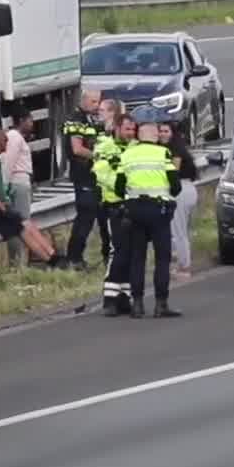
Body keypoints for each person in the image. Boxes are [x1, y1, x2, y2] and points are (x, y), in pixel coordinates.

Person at [117, 121, 182, 318]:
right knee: (162, 258)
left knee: (138, 258)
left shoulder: (127, 155)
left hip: (134, 210)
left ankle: (137, 304)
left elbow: (119, 187)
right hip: (158, 211)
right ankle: (160, 304)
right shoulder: (163, 154)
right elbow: (175, 186)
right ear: (154, 136)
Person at [0, 128, 61, 266]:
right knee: (23, 229)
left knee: (26, 223)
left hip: (0, 206)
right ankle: (50, 259)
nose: (7, 145)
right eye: (6, 142)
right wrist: (2, 207)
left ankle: (52, 254)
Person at [62, 87, 106, 270]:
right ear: (85, 100)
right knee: (85, 218)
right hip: (83, 176)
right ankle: (74, 258)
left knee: (96, 217)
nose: (96, 106)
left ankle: (82, 257)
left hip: (94, 176)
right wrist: (100, 155)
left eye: (99, 102)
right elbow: (77, 149)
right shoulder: (75, 120)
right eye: (94, 102)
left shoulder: (90, 119)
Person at [98, 111, 135, 315]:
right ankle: (110, 298)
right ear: (118, 127)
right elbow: (103, 174)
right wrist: (124, 186)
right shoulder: (105, 147)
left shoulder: (134, 148)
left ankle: (124, 297)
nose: (130, 133)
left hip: (132, 206)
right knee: (117, 252)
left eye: (133, 129)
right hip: (114, 206)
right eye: (127, 129)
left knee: (130, 253)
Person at [159, 118, 201, 281]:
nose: (162, 134)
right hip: (184, 190)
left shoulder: (175, 150)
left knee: (178, 232)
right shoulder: (169, 148)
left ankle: (184, 267)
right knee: (177, 232)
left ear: (173, 133)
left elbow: (173, 173)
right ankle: (179, 263)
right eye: (160, 131)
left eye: (166, 131)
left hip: (181, 191)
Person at [3, 108, 36, 264]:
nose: (32, 123)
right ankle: (18, 262)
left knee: (20, 224)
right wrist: (5, 185)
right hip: (18, 183)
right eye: (30, 120)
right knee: (22, 224)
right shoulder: (15, 138)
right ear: (21, 120)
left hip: (19, 182)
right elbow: (9, 162)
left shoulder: (16, 137)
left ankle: (19, 261)